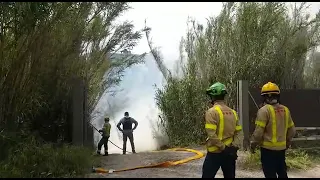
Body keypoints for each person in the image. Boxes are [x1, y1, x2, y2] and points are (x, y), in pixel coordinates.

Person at [251, 82, 296, 178]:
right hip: (281, 149)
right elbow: (292, 131)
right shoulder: (285, 110)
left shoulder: (264, 111)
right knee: (282, 173)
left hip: (268, 150)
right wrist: (287, 142)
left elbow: (258, 133)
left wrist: (253, 144)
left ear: (264, 97)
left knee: (270, 174)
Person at [202, 82, 243, 178]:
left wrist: (223, 148)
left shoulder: (211, 112)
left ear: (212, 96)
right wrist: (233, 148)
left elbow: (211, 134)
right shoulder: (233, 112)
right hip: (230, 153)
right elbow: (239, 132)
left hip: (214, 153)